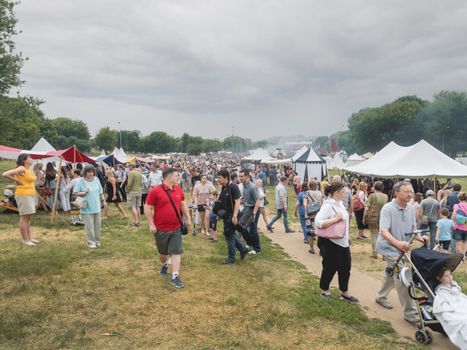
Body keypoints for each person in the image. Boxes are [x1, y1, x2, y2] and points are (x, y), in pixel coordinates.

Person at [375, 181, 426, 323]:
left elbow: (413, 229)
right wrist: (398, 243)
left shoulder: (410, 208)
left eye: (411, 191)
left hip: (402, 248)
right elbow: (383, 231)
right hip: (389, 247)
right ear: (397, 193)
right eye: (406, 191)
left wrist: (421, 238)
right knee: (403, 276)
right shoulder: (388, 208)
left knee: (393, 272)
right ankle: (410, 313)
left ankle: (380, 296)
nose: (410, 194)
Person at [145, 168, 191, 288]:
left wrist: (188, 218)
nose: (178, 178)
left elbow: (182, 204)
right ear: (169, 177)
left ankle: (175, 276)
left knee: (176, 251)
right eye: (176, 176)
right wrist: (151, 224)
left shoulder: (178, 189)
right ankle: (165, 263)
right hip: (160, 229)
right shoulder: (155, 191)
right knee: (162, 253)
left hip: (176, 227)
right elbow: (148, 207)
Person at [315, 182, 358, 303]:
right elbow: (318, 222)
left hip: (342, 242)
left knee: (345, 268)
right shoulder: (328, 205)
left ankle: (344, 292)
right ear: (337, 192)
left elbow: (345, 224)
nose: (345, 194)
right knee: (329, 268)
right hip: (330, 242)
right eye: (343, 192)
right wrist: (336, 219)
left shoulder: (340, 204)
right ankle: (324, 290)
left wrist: (347, 236)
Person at [2, 154, 39, 246]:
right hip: (23, 195)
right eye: (30, 158)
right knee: (24, 217)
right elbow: (5, 174)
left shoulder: (28, 169)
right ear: (24, 160)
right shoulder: (21, 168)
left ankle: (29, 238)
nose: (31, 159)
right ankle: (25, 240)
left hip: (30, 194)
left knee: (28, 218)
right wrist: (16, 180)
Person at [216, 169, 249, 264]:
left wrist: (235, 216)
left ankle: (231, 257)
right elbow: (222, 202)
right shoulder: (223, 187)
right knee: (229, 234)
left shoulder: (233, 187)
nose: (218, 179)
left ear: (226, 178)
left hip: (233, 215)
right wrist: (219, 215)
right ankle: (243, 249)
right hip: (226, 215)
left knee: (229, 235)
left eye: (220, 178)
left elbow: (237, 202)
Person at [433, 268, 467, 350]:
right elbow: (440, 305)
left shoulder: (455, 286)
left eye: (450, 274)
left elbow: (460, 296)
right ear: (439, 278)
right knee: (463, 321)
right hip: (454, 310)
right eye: (446, 276)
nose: (449, 277)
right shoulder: (441, 291)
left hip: (461, 306)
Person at [74, 165, 107, 248]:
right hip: (86, 206)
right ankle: (91, 242)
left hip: (97, 206)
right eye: (88, 172)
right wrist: (84, 192)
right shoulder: (80, 181)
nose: (90, 173)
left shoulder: (96, 179)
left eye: (92, 172)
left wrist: (103, 201)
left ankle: (97, 240)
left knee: (97, 225)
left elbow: (100, 192)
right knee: (89, 226)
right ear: (85, 172)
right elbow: (75, 193)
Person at [363, 181, 388, 259]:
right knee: (384, 236)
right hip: (384, 217)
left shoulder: (372, 196)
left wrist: (364, 218)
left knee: (374, 235)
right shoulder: (386, 196)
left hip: (373, 217)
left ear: (375, 187)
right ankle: (384, 254)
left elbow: (366, 208)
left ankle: (375, 253)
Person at [239, 168, 261, 253]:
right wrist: (239, 201)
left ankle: (256, 248)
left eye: (242, 176)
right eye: (239, 176)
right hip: (246, 208)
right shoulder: (244, 185)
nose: (240, 178)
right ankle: (250, 243)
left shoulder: (252, 187)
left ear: (247, 176)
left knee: (252, 229)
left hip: (252, 209)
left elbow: (257, 200)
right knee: (241, 226)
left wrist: (254, 213)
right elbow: (246, 198)